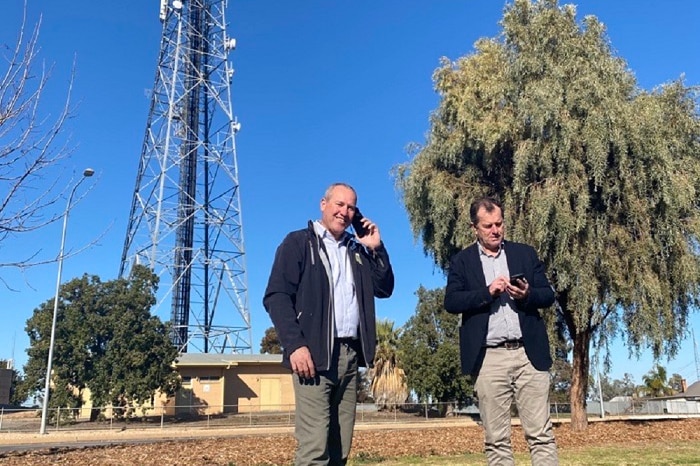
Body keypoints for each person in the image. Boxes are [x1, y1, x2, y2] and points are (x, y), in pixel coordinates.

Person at [263, 182, 394, 466]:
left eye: (351, 207)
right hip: (313, 357)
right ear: (324, 204)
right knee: (314, 449)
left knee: (340, 448)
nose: (344, 212)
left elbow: (384, 288)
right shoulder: (298, 242)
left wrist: (376, 247)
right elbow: (276, 296)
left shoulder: (356, 250)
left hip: (349, 357)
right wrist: (295, 345)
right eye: (339, 204)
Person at [444, 196, 558, 466]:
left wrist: (527, 294)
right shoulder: (462, 261)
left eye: (499, 224)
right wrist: (487, 293)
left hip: (529, 354)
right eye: (488, 226)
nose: (495, 230)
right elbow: (452, 302)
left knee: (541, 434)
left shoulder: (524, 253)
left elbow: (548, 295)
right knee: (497, 440)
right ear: (475, 228)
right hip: (489, 358)